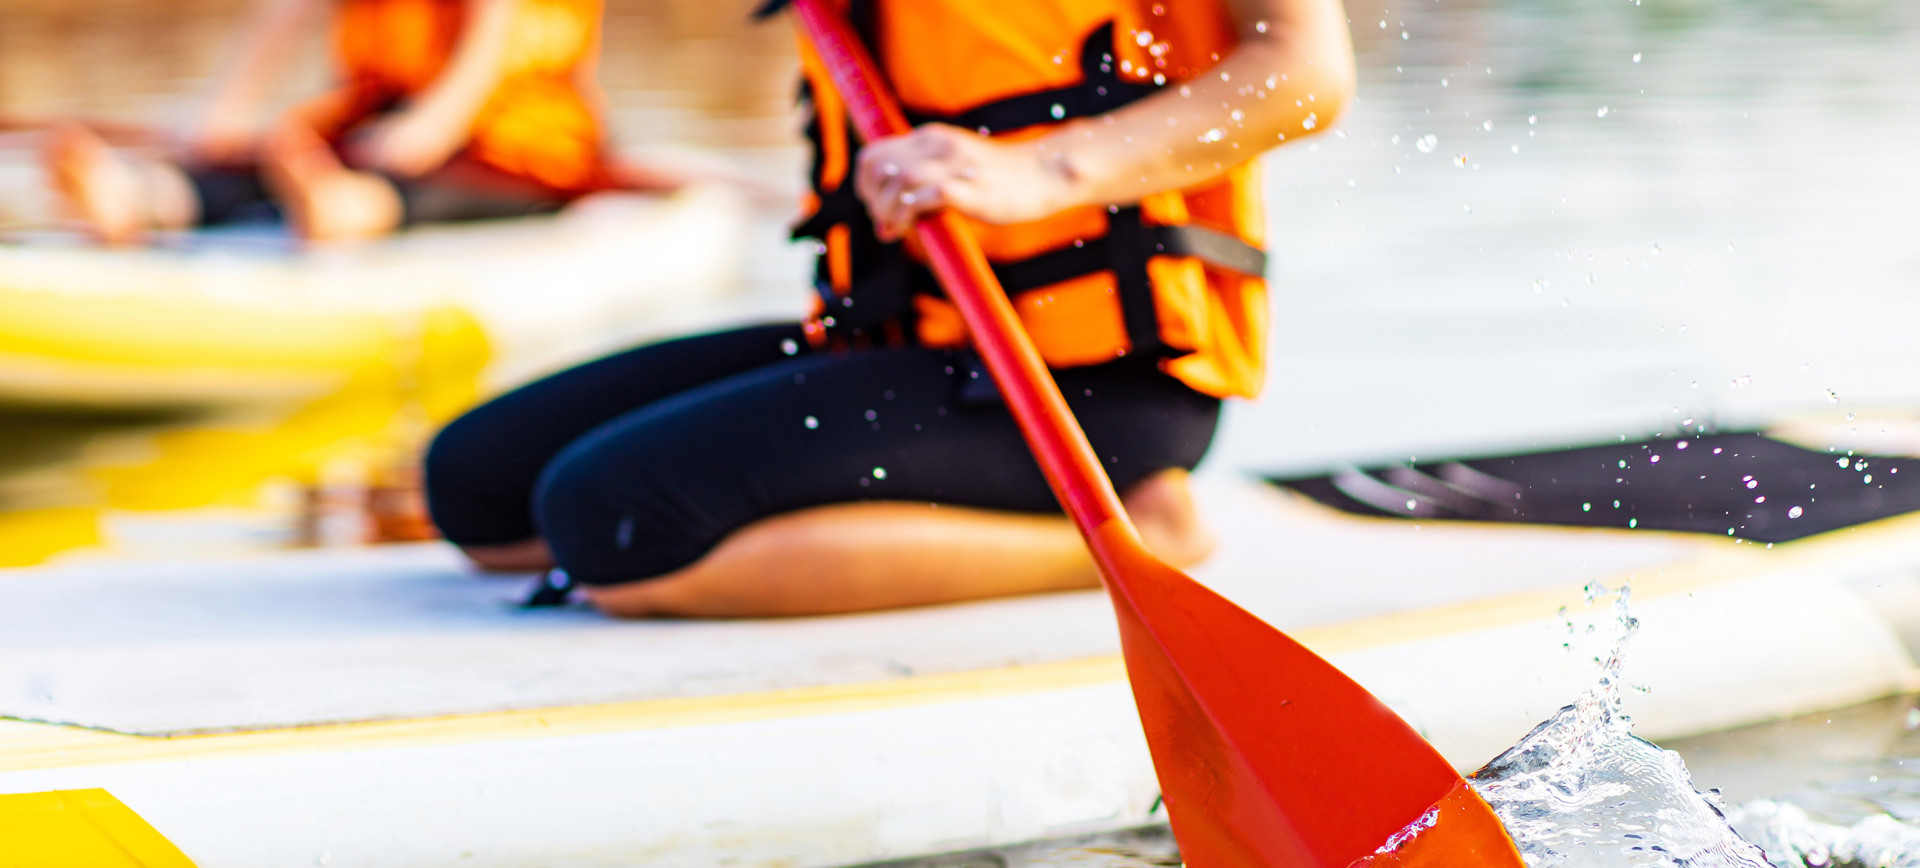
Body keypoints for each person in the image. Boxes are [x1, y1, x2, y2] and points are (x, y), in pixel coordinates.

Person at [424, 0, 1353, 618]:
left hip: (1093, 380)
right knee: (478, 488)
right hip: (901, 337)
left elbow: (1308, 75)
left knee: (615, 529)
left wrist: (1044, 168)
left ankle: (1139, 537)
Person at [45, 0, 649, 243]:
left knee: (408, 177)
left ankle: (346, 210)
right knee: (284, 149)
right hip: (384, 107)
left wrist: (437, 123)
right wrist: (230, 103)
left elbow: (499, 21)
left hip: (515, 128)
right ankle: (148, 198)